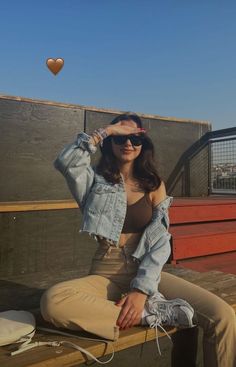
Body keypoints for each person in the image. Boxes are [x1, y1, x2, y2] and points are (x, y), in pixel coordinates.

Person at [40, 113, 236, 367]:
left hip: (146, 269)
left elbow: (160, 240)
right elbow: (67, 161)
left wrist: (141, 289)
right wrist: (106, 131)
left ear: (144, 144)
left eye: (135, 138)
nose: (128, 143)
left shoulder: (154, 185)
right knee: (53, 302)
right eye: (121, 138)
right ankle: (151, 314)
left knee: (223, 316)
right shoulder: (93, 181)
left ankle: (149, 306)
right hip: (105, 271)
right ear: (111, 142)